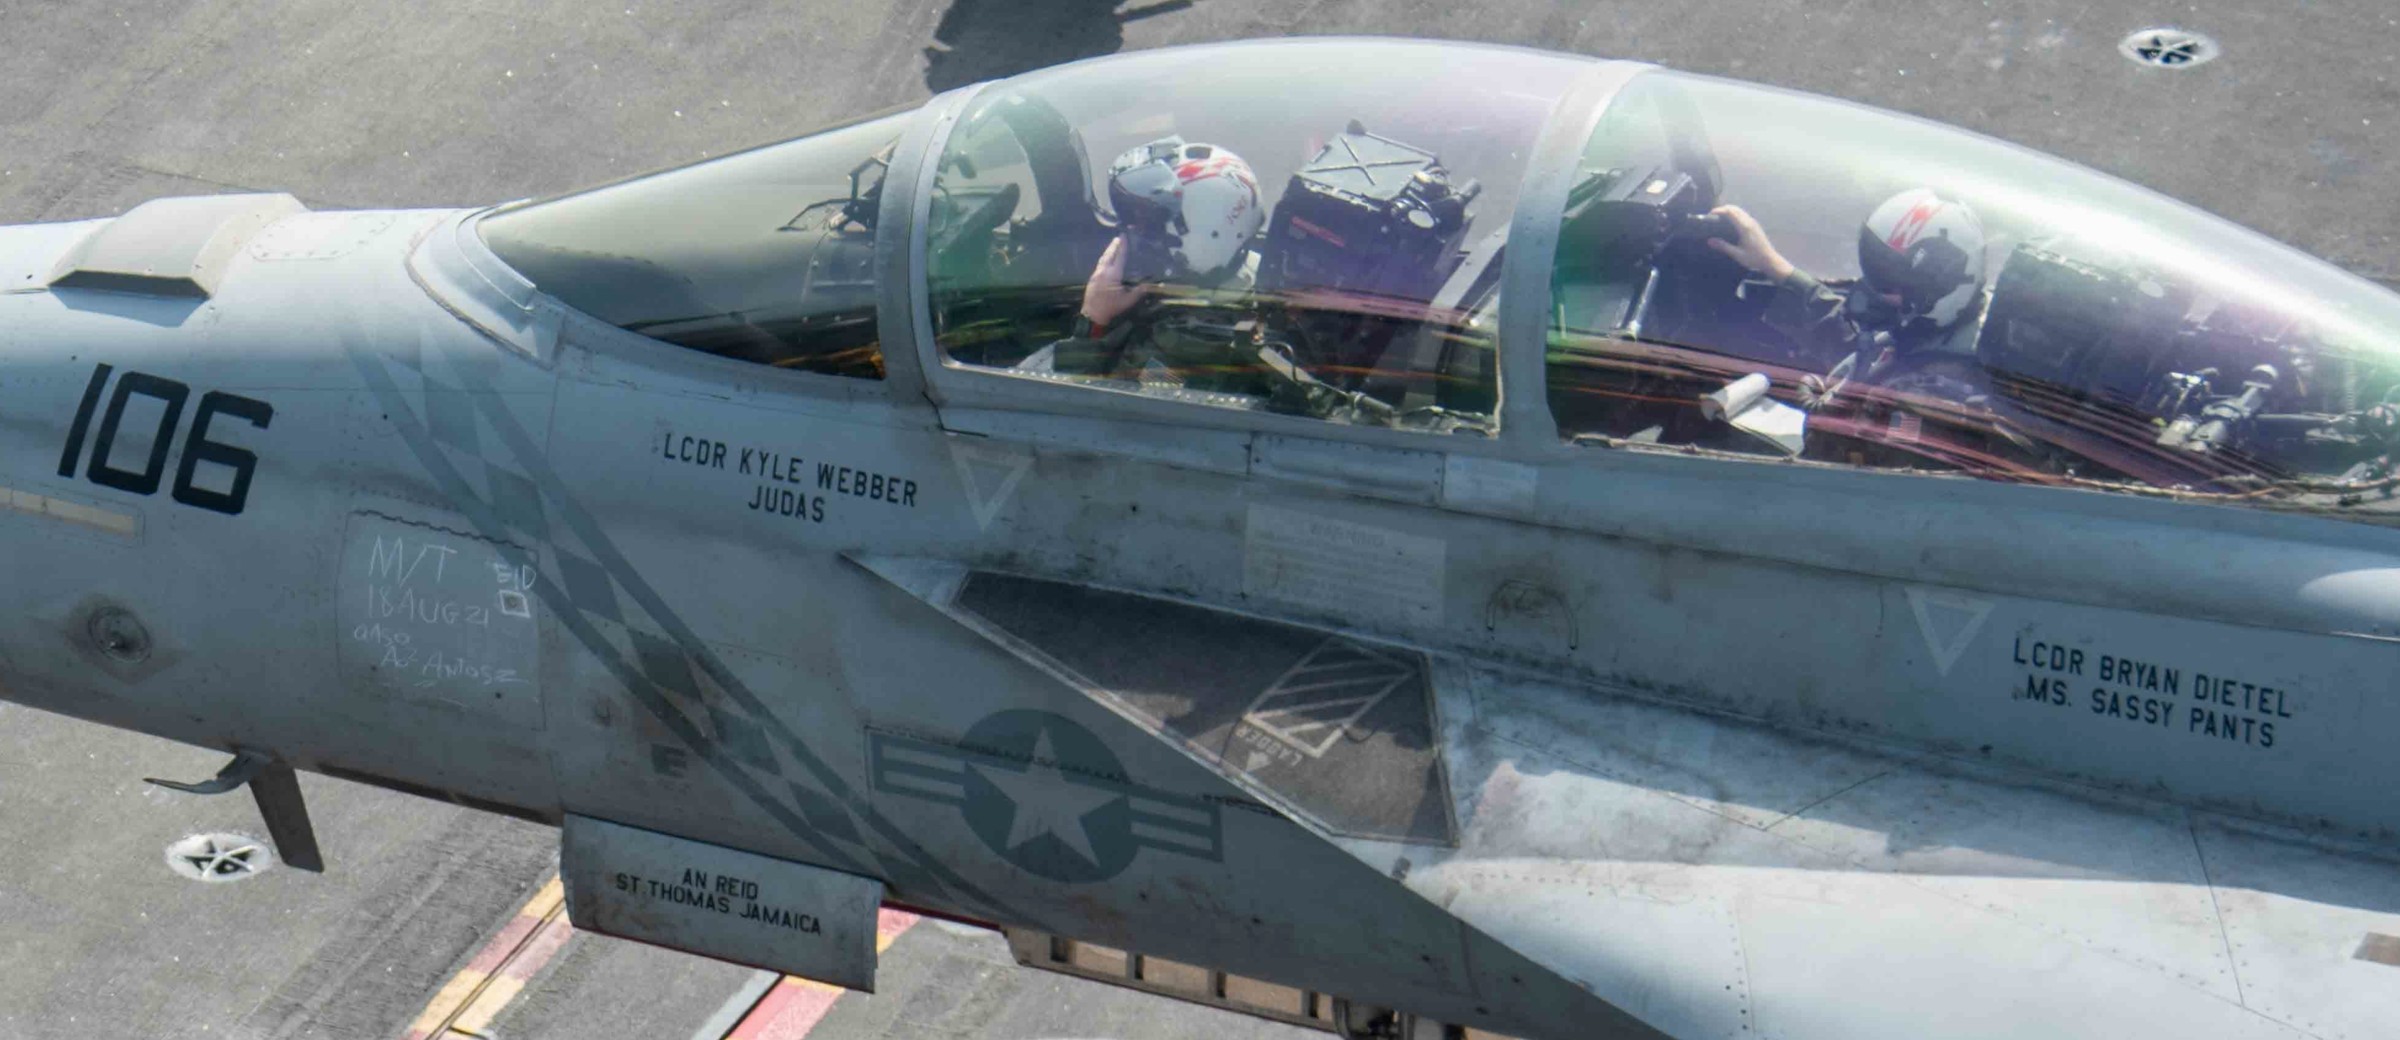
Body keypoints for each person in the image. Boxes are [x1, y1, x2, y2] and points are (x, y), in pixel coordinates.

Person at [1051, 136, 1280, 395]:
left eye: (1151, 225)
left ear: (1208, 232)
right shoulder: (1258, 273)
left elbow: (1078, 408)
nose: (1130, 234)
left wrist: (1093, 320)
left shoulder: (1175, 350)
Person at [1703, 189, 1989, 390]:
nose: (1871, 290)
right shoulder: (1931, 331)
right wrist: (1771, 264)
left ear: (1937, 288)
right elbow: (1856, 342)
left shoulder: (1934, 386)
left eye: (1886, 278)